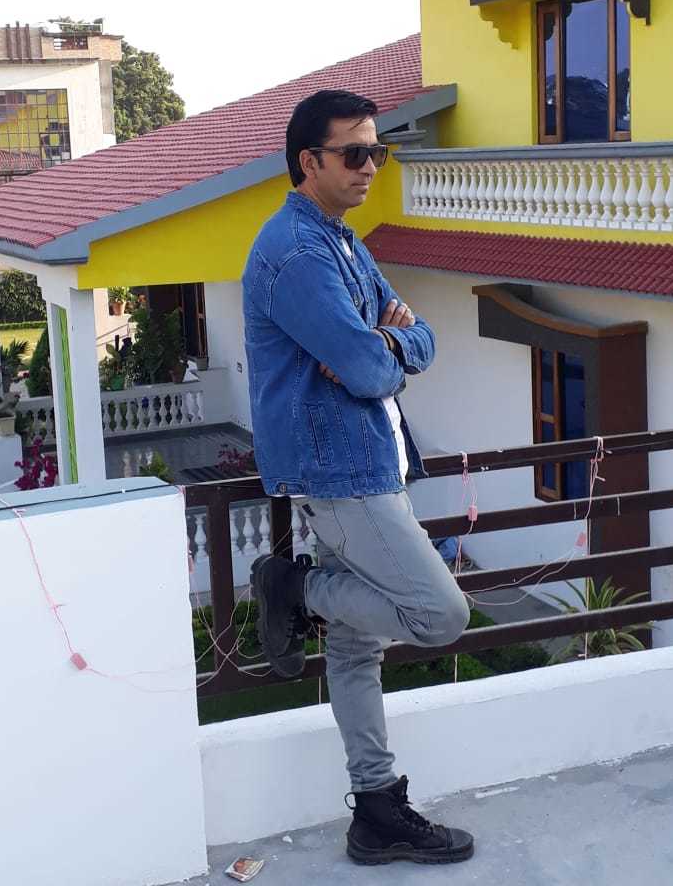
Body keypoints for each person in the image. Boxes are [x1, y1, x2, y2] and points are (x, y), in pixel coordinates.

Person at [242, 89, 474, 866]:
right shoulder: (299, 255)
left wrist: (392, 343)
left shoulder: (341, 241)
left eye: (377, 150)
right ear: (308, 161)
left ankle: (376, 812)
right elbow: (370, 369)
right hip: (341, 474)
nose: (371, 165)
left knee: (353, 652)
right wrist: (383, 348)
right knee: (440, 613)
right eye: (353, 153)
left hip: (367, 460)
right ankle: (294, 587)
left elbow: (414, 339)